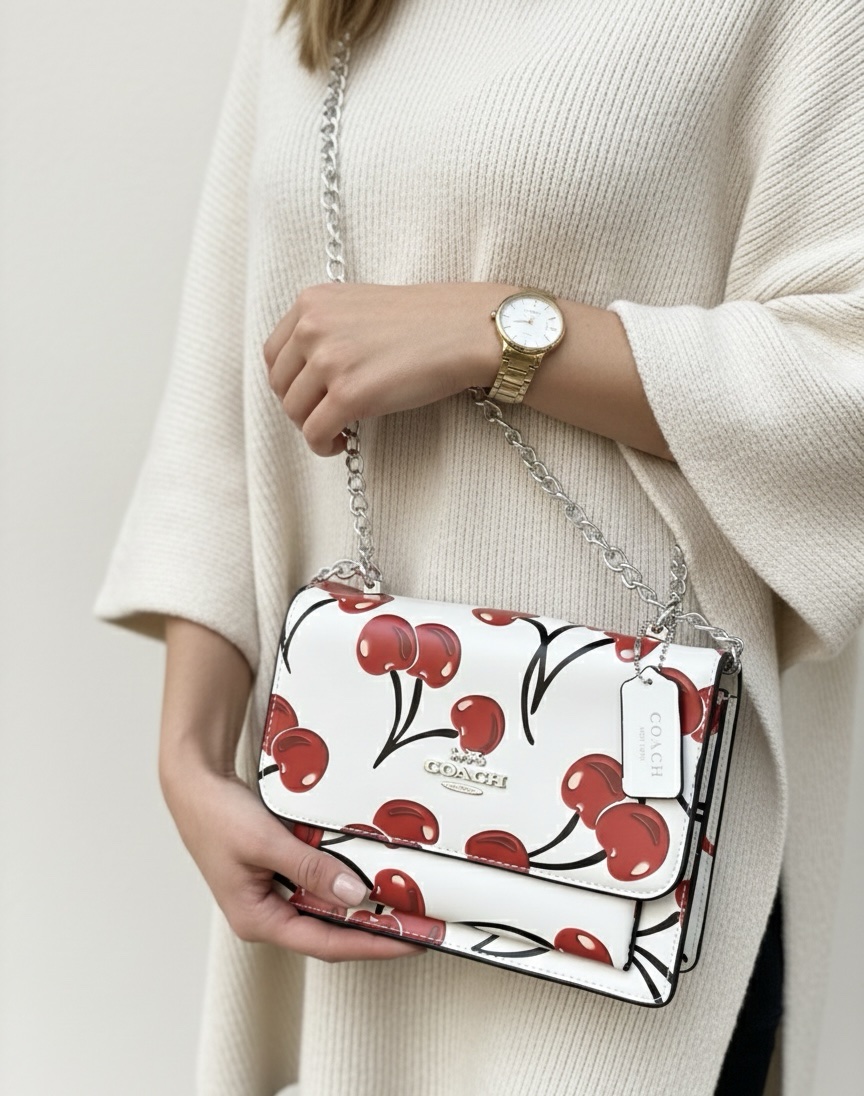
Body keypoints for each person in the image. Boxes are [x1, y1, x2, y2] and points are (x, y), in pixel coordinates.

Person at [95, 1, 864, 1093]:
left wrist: (501, 332)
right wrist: (187, 756)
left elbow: (845, 373)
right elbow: (231, 390)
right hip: (345, 830)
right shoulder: (318, 13)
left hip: (633, 880)